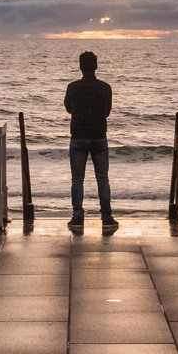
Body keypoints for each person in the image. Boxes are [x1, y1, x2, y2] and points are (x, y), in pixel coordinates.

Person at [64, 50, 118, 234]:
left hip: (78, 136)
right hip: (99, 135)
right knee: (102, 178)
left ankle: (78, 216)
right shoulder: (105, 88)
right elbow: (107, 112)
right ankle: (107, 216)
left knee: (77, 179)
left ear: (80, 67)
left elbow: (69, 109)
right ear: (96, 66)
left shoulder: (73, 87)